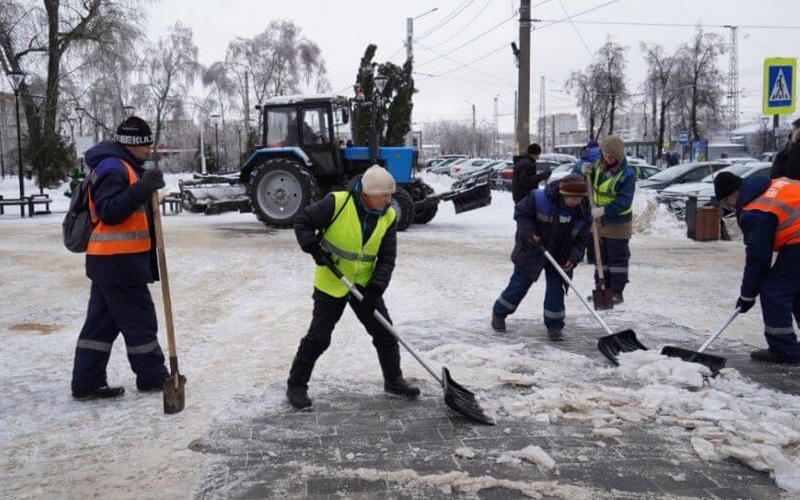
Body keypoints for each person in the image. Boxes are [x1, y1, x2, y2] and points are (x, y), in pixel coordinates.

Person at [287, 165, 420, 409]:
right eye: (384, 196)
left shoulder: (388, 215)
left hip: (365, 284)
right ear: (368, 194)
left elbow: (387, 258)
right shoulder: (336, 203)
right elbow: (303, 221)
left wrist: (376, 289)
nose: (389, 201)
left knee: (385, 333)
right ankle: (296, 386)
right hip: (332, 280)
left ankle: (393, 380)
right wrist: (313, 248)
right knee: (318, 338)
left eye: (390, 195)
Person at [71, 116, 170, 400]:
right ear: (133, 144)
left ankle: (86, 382)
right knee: (140, 321)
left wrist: (147, 186)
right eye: (146, 145)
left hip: (111, 261)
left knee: (100, 325)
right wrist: (142, 188)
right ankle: (153, 377)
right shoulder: (113, 167)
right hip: (119, 261)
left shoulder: (124, 165)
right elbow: (110, 211)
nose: (150, 150)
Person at [491, 174, 592, 341]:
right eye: (573, 198)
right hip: (534, 247)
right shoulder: (539, 198)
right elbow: (521, 214)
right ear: (562, 193)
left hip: (561, 254)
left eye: (579, 198)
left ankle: (554, 326)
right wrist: (530, 233)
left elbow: (582, 240)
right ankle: (499, 312)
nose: (576, 202)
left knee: (556, 289)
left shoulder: (584, 211)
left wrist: (574, 258)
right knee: (519, 284)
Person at [714, 172, 800, 364]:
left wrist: (747, 295)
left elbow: (758, 259)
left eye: (727, 200)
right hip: (796, 241)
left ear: (737, 190)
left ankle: (784, 351)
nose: (728, 206)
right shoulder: (768, 185)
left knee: (774, 291)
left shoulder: (756, 211)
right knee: (793, 288)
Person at [582, 135, 636, 304]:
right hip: (599, 220)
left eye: (612, 156)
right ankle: (601, 288)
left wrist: (602, 211)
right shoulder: (598, 165)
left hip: (618, 222)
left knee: (617, 258)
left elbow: (623, 202)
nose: (609, 158)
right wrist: (585, 174)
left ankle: (616, 292)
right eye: (606, 155)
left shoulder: (627, 174)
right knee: (601, 257)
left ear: (619, 155)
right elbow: (590, 186)